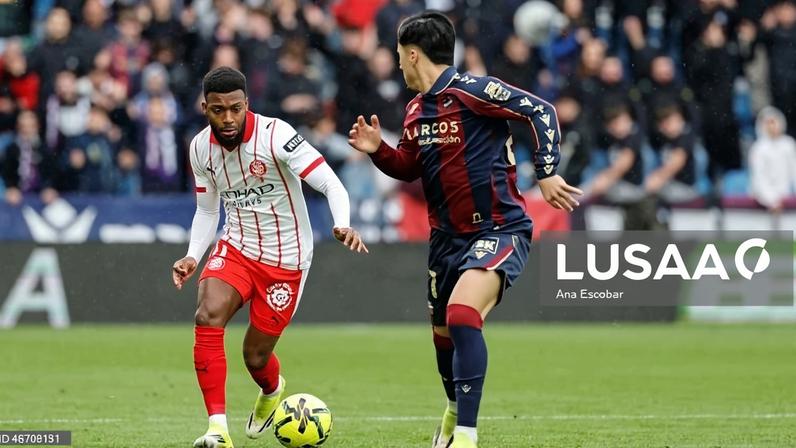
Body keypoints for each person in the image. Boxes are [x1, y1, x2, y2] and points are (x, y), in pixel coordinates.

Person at [347, 12, 581, 448]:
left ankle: (467, 437)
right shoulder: (417, 109)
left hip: (498, 228)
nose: (397, 64)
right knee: (442, 334)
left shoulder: (473, 90)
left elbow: (540, 110)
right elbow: (410, 167)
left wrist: (547, 171)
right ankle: (454, 412)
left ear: (413, 53)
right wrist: (379, 151)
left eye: (399, 55)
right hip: (445, 241)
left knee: (461, 315)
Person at [171, 67, 367, 448]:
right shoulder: (199, 149)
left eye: (235, 108)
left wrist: (342, 224)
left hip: (287, 259)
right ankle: (217, 430)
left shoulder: (277, 135)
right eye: (217, 110)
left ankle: (272, 391)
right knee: (207, 315)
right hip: (238, 247)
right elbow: (208, 210)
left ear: (248, 104)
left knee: (255, 358)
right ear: (204, 108)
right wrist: (193, 255)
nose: (227, 118)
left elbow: (329, 182)